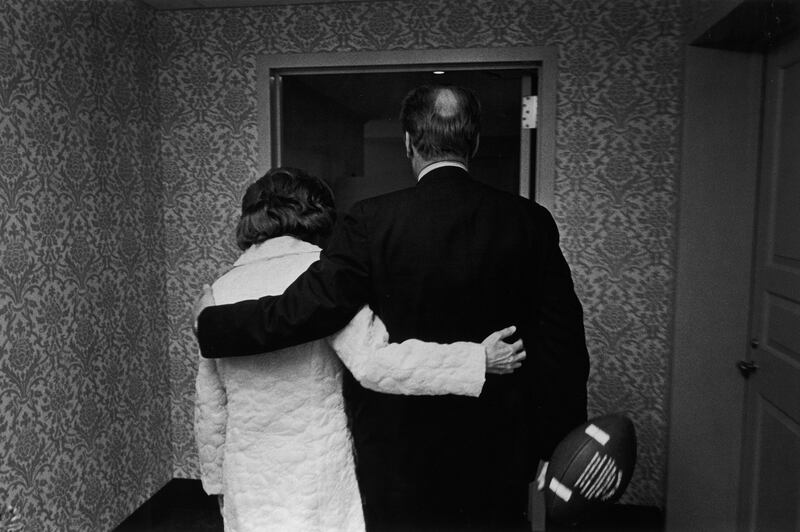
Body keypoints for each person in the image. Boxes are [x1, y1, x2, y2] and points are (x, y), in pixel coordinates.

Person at [195, 85, 589, 531]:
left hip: (397, 449)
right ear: (474, 142)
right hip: (503, 442)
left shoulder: (369, 221)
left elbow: (306, 308)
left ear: (408, 143)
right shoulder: (531, 221)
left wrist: (212, 323)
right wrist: (559, 447)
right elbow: (563, 344)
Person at [194, 167, 526, 532]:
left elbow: (210, 405)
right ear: (316, 212)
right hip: (317, 472)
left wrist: (217, 485)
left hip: (246, 477)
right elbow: (376, 364)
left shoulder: (217, 293)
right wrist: (475, 359)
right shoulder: (325, 278)